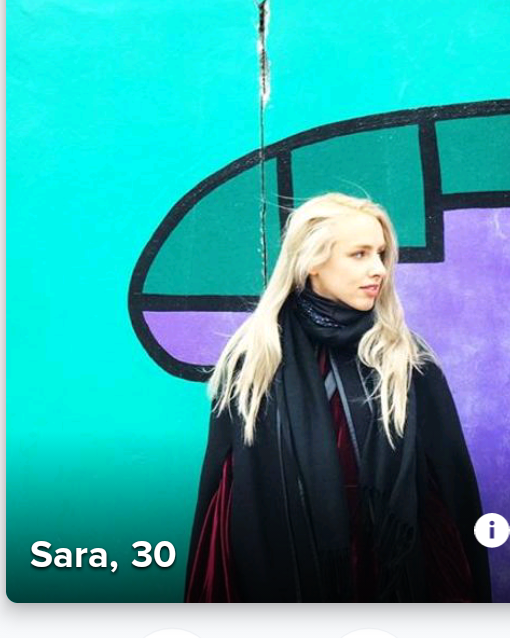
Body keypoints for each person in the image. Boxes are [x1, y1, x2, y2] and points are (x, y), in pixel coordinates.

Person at [185, 193, 491, 603]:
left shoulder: (405, 360)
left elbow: (450, 496)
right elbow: (222, 506)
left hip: (388, 591)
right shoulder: (255, 361)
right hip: (286, 590)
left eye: (381, 254)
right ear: (312, 261)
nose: (378, 268)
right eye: (359, 254)